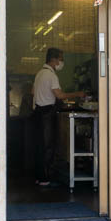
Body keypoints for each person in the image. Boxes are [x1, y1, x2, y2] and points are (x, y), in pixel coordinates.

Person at [33, 47, 85, 186]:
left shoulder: (39, 73)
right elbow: (60, 95)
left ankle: (39, 177)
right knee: (48, 146)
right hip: (47, 114)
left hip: (38, 112)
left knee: (40, 146)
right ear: (53, 59)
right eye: (61, 59)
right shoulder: (51, 75)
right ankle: (45, 179)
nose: (62, 62)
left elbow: (33, 92)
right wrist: (78, 94)